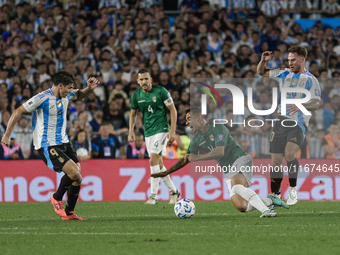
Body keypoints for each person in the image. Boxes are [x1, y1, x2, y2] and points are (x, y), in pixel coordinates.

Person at [151, 107, 289, 218]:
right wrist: (166, 172)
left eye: (189, 119)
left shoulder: (217, 127)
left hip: (240, 159)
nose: (187, 123)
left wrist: (198, 158)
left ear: (199, 118)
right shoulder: (197, 140)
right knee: (242, 206)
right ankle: (271, 200)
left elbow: (220, 151)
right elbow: (186, 159)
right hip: (228, 169)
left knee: (236, 188)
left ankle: (266, 211)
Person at [1, 71, 100, 220]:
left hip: (64, 142)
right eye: (68, 88)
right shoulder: (42, 98)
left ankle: (69, 213)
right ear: (60, 86)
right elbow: (18, 111)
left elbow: (79, 94)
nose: (70, 91)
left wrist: (89, 88)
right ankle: (56, 198)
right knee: (73, 172)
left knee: (77, 177)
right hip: (47, 144)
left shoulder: (66, 94)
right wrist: (7, 135)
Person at [257, 46, 321, 206]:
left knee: (290, 154)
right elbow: (261, 72)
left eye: (293, 60)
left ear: (302, 59)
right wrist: (263, 61)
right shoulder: (284, 73)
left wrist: (301, 105)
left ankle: (292, 189)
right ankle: (275, 194)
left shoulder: (311, 80)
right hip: (280, 122)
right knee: (275, 162)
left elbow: (317, 102)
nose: (290, 63)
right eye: (288, 60)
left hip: (298, 124)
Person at [128, 68, 180, 205]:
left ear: (151, 79)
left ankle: (153, 196)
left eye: (146, 79)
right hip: (148, 132)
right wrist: (131, 131)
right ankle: (174, 192)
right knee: (159, 164)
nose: (144, 82)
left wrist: (172, 131)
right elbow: (133, 114)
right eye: (141, 79)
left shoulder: (161, 91)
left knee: (152, 161)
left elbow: (173, 110)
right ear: (138, 81)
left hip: (162, 129)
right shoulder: (136, 95)